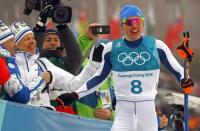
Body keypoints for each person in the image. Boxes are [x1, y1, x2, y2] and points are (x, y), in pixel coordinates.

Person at [57, 4, 194, 131]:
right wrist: (75, 94)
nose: (135, 26)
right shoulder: (112, 49)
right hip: (123, 111)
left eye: (138, 21)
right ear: (122, 25)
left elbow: (178, 70)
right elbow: (98, 77)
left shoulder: (156, 46)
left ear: (143, 23)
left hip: (146, 108)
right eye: (130, 22)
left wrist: (185, 80)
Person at [0, 20, 50, 103]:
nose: (15, 45)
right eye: (12, 40)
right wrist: (42, 79)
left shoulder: (6, 61)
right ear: (2, 44)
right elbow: (22, 97)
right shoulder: (5, 63)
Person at [33, 9, 82, 75]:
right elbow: (32, 52)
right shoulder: (35, 63)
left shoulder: (66, 65)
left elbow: (76, 56)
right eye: (48, 40)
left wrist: (62, 27)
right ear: (41, 42)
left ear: (61, 45)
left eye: (56, 40)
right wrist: (39, 28)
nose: (53, 43)